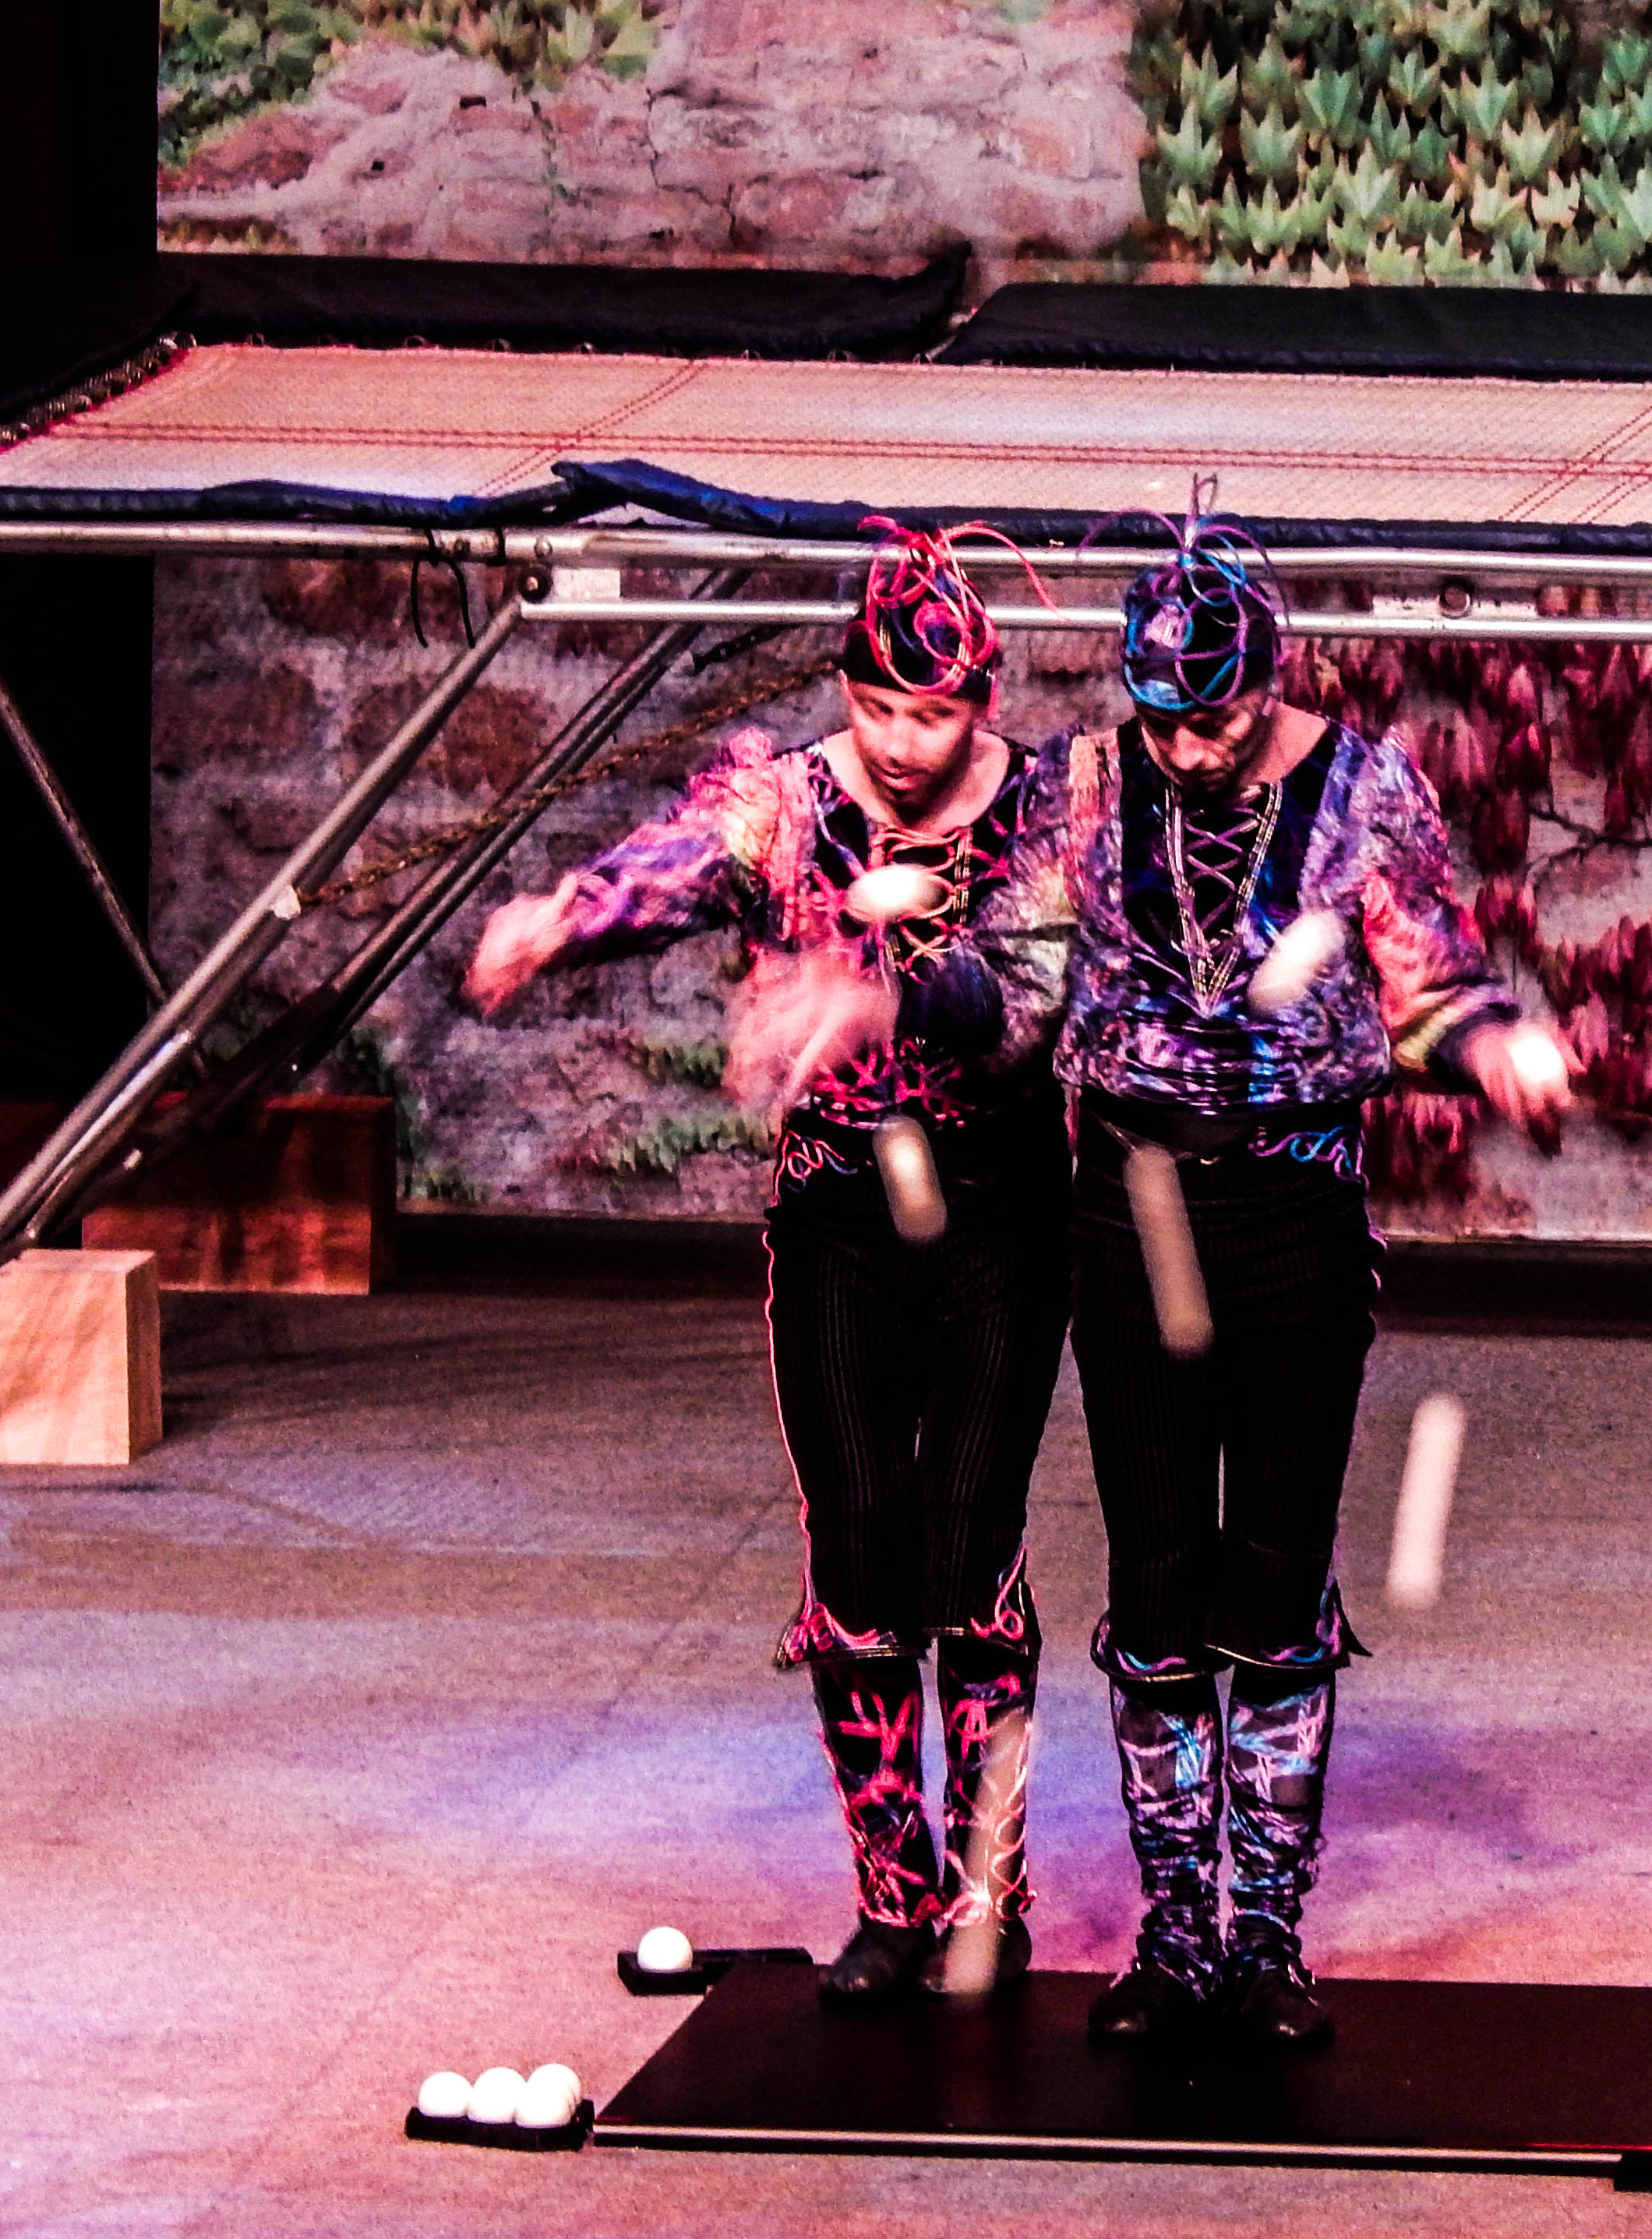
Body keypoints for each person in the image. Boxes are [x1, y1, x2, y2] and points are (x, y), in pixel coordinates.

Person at [464, 524, 1079, 2003]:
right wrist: (560, 917)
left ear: (982, 699)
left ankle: (989, 1894)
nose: (904, 743)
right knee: (857, 1543)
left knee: (967, 1541)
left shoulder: (1047, 810)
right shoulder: (787, 804)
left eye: (934, 714)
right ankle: (895, 1896)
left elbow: (1027, 1001)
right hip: (840, 1212)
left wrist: (872, 1002)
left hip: (999, 1208)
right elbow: (670, 867)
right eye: (877, 708)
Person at [1059, 525, 1571, 2047]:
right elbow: (1011, 976)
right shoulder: (1085, 787)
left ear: (1269, 680)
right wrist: (881, 991)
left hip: (1291, 1203)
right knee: (1158, 1573)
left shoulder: (1364, 790)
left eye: (1213, 719)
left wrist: (1493, 1044)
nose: (1186, 750)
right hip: (1133, 1207)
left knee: (1276, 1572)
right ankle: (1174, 1929)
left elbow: (1430, 975)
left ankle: (1267, 1934)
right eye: (1162, 721)